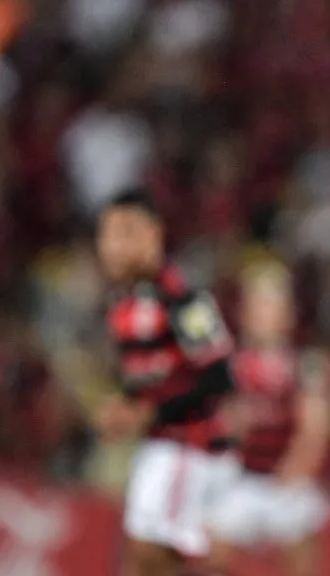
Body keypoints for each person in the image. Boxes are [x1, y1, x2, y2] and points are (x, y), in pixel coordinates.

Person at [96, 190, 241, 576]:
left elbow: (219, 376)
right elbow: (146, 377)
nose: (110, 246)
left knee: (148, 551)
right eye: (106, 234)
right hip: (160, 446)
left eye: (123, 233)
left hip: (189, 446)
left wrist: (147, 413)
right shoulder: (123, 305)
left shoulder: (182, 299)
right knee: (148, 560)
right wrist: (123, 407)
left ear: (152, 236)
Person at [208, 258, 330, 576]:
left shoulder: (306, 365)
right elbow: (217, 424)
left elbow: (317, 428)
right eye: (259, 305)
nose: (266, 313)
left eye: (274, 304)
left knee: (301, 546)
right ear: (244, 313)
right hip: (240, 477)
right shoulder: (229, 365)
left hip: (286, 479)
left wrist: (294, 472)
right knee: (213, 552)